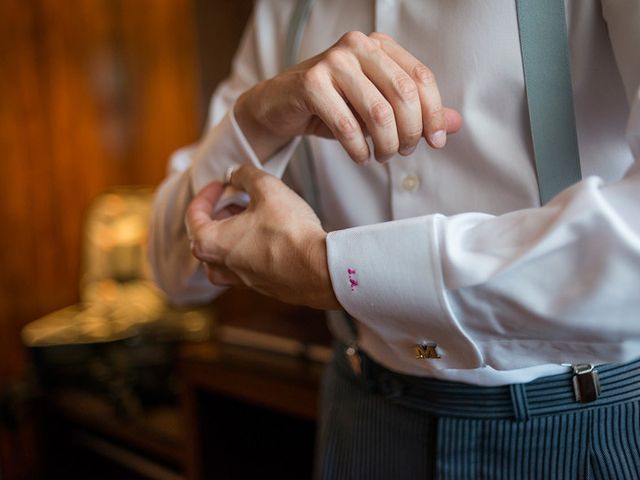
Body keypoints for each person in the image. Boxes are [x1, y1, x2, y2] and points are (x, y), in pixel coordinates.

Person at [150, 0, 640, 478]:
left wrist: (333, 271)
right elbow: (177, 272)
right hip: (361, 418)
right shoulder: (283, 8)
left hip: (584, 425)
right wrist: (255, 121)